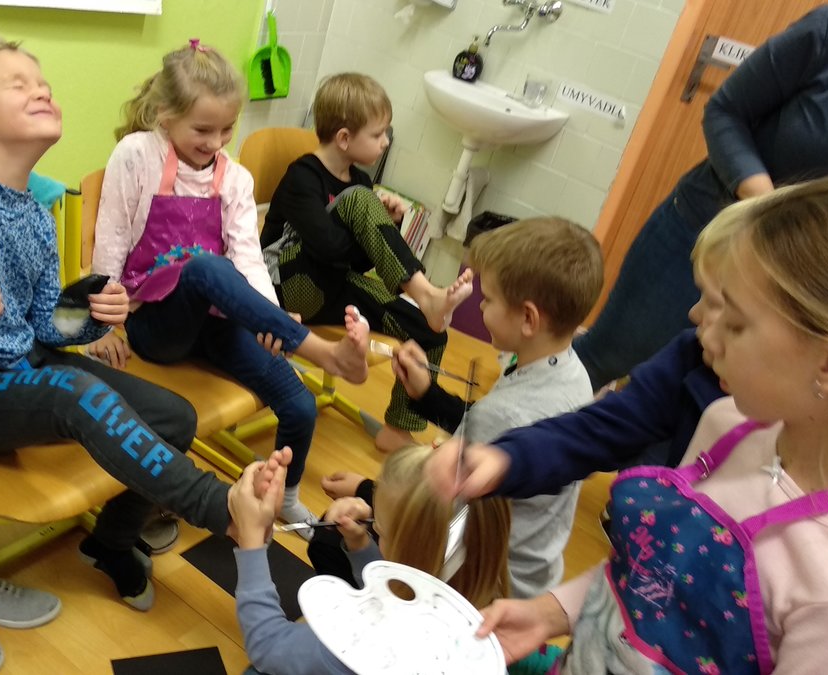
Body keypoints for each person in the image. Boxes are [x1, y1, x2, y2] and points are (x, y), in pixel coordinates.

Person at [446, 173, 828, 672]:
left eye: (736, 322)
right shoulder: (728, 423)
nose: (703, 331)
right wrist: (552, 611)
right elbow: (660, 577)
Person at [0, 37, 233, 612]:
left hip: (26, 367)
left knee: (175, 416)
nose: (42, 91)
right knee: (74, 391)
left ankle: (110, 542)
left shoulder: (35, 216)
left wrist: (92, 316)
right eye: (19, 85)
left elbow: (45, 326)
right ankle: (219, 506)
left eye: (44, 85)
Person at [576, 1, 828, 391]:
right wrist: (769, 207)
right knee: (605, 361)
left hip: (805, 283)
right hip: (709, 238)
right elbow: (725, 111)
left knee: (700, 401)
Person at [90, 41, 369, 532]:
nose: (216, 141)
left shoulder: (235, 178)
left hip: (215, 322)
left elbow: (248, 257)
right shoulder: (138, 154)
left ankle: (286, 497)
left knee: (300, 404)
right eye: (202, 130)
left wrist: (267, 316)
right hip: (156, 324)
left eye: (227, 129)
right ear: (165, 116)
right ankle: (319, 352)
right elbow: (110, 237)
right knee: (204, 267)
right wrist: (103, 325)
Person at [316, 217, 602, 599]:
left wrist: (369, 493)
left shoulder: (504, 414)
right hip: (533, 577)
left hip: (477, 585)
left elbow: (437, 522)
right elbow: (490, 430)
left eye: (489, 299)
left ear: (528, 318)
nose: (480, 305)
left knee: (327, 539)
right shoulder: (572, 374)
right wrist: (427, 395)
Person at [261, 72, 473, 453]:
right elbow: (329, 249)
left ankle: (399, 428)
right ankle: (426, 294)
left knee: (429, 331)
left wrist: (382, 224)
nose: (386, 141)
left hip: (333, 284)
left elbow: (355, 264)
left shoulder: (358, 179)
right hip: (285, 288)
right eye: (378, 135)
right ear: (344, 138)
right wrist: (367, 219)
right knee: (360, 200)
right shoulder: (303, 176)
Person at [231, 444, 517, 675]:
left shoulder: (358, 646)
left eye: (379, 529)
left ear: (413, 557)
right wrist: (360, 546)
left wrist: (251, 539)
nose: (373, 530)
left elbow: (267, 644)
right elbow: (402, 588)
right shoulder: (488, 627)